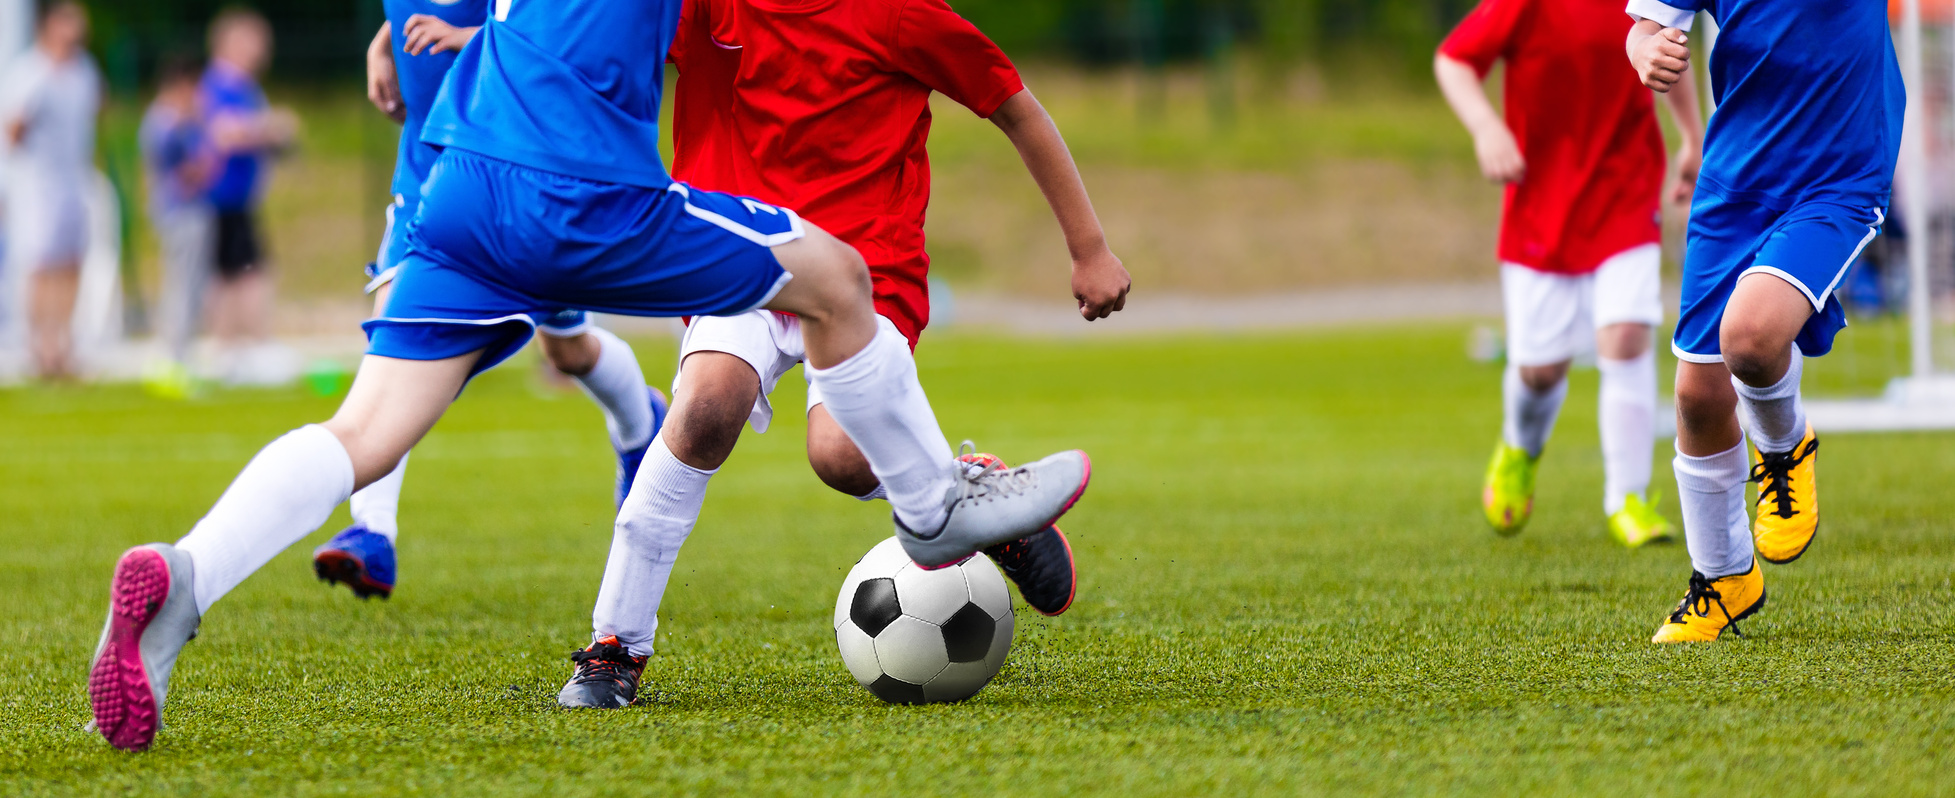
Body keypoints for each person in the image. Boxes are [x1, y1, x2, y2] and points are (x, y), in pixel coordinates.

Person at [84, 0, 1094, 752]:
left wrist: (399, 32)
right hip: (583, 195)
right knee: (833, 277)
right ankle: (930, 507)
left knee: (364, 429)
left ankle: (187, 577)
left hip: (465, 190)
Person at [552, 0, 1132, 709]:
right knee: (704, 406)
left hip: (865, 273)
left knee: (841, 458)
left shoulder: (899, 14)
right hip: (740, 261)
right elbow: (583, 42)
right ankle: (616, 646)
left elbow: (1016, 108)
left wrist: (1089, 249)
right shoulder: (698, 9)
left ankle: (959, 490)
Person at [309, 1, 667, 601]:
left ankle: (640, 424)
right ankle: (371, 532)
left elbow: (554, 35)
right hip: (427, 172)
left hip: (516, 171)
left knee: (568, 351)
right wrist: (383, 40)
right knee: (395, 329)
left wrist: (466, 37)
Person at [1625, 0, 1903, 641]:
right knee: (1698, 394)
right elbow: (1648, 25)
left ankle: (1782, 447)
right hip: (1735, 179)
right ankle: (1723, 578)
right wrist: (1644, 49)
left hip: (1839, 176)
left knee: (1749, 339)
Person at [1435, 0, 1703, 548]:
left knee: (1627, 335)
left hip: (1624, 188)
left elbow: (1669, 45)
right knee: (1540, 370)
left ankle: (1627, 498)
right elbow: (1453, 60)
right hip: (1541, 199)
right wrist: (1487, 128)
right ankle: (1519, 447)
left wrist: (1692, 137)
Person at [0, 2, 100, 380]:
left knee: (71, 262)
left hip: (74, 176)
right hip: (39, 181)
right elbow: (12, 130)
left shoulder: (83, 70)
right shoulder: (31, 72)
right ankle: (40, 346)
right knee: (42, 264)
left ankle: (64, 342)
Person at [199, 9, 298, 385]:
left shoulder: (245, 87)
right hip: (217, 198)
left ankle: (233, 350)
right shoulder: (217, 84)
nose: (264, 48)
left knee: (237, 273)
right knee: (245, 273)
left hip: (238, 198)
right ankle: (247, 348)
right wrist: (272, 128)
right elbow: (225, 133)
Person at [140, 55, 218, 384]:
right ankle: (174, 356)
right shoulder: (167, 123)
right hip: (179, 211)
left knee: (192, 285)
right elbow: (188, 170)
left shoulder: (178, 121)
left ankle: (181, 353)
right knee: (182, 285)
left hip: (187, 210)